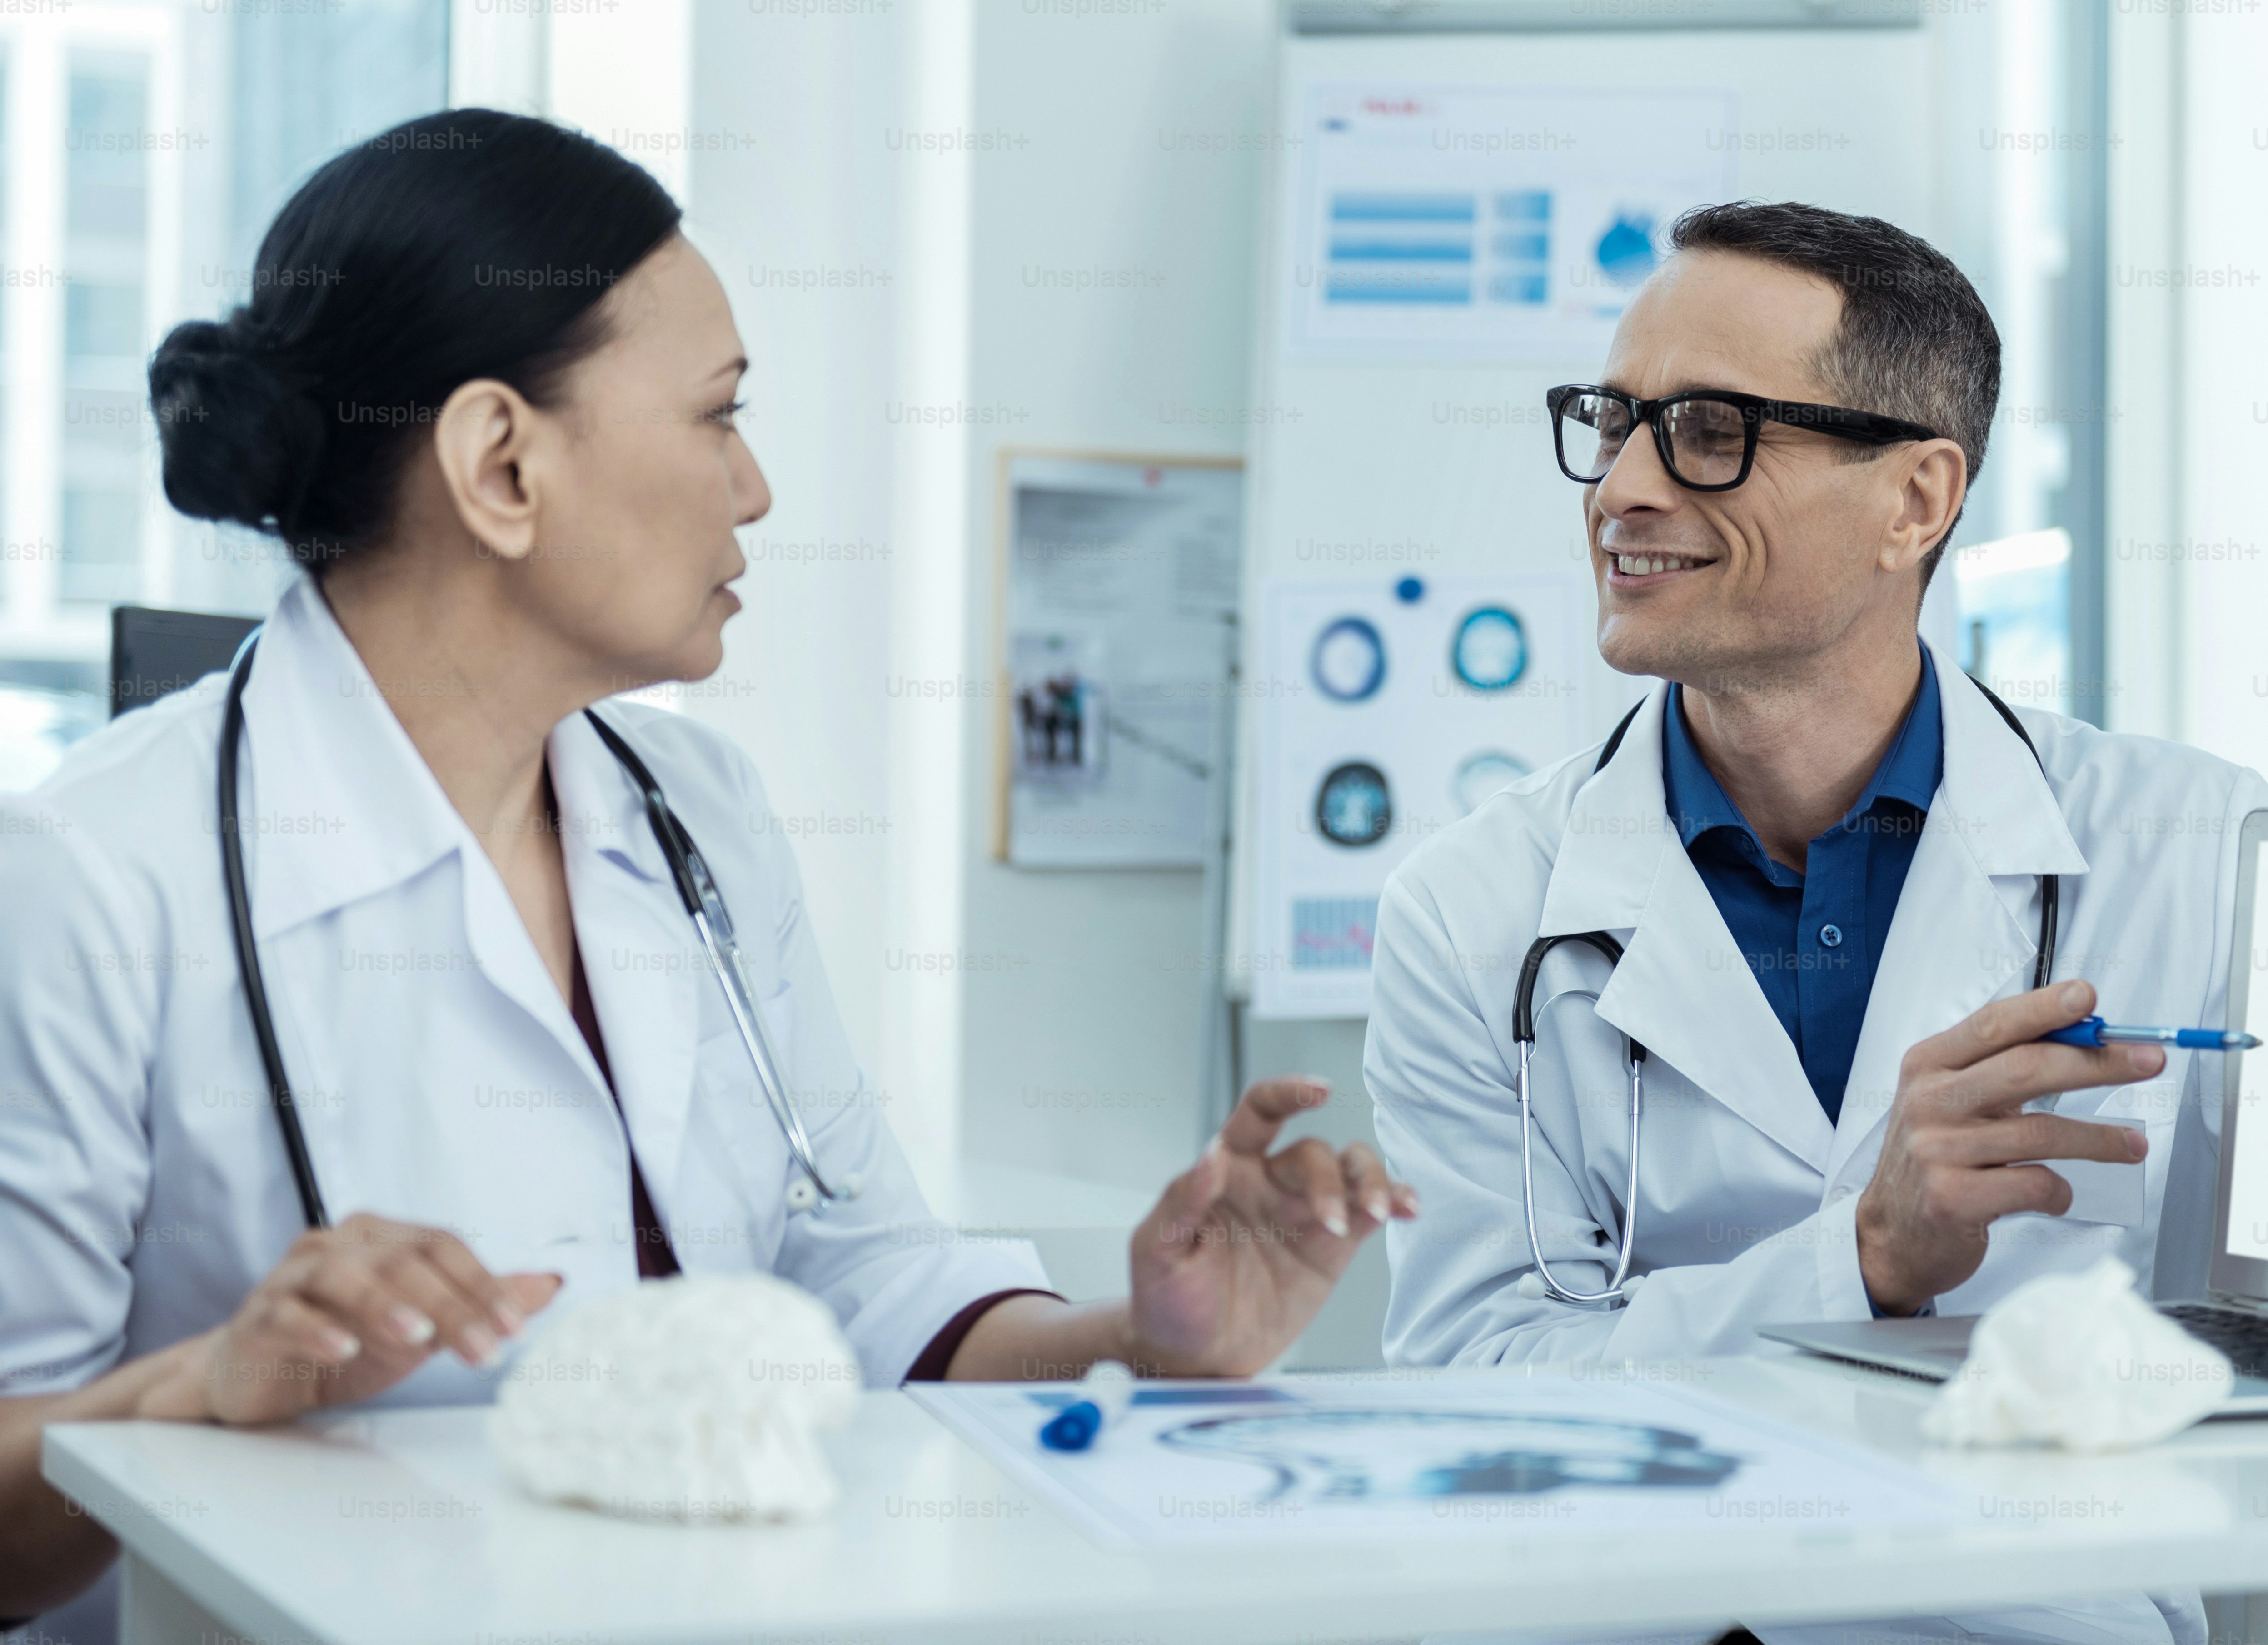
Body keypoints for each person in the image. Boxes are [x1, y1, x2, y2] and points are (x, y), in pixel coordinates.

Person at [0, 110, 1412, 1634]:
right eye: (716, 416)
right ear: (501, 464)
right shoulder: (93, 878)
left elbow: (859, 1277)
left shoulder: (696, 811)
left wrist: (1148, 1339)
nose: (754, 490)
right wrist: (201, 1385)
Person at [1365, 202, 2268, 1645]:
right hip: (1651, 1614)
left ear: (1918, 499)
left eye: (1709, 431)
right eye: (1612, 422)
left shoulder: (2196, 846)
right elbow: (1472, 1393)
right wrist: (1863, 1257)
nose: (1623, 487)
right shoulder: (1472, 914)